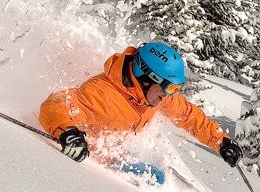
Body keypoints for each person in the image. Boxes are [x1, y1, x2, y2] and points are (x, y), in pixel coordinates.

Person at [38, 41, 243, 171]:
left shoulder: (153, 96)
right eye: (168, 87)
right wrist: (67, 132)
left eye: (174, 89)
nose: (168, 96)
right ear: (146, 78)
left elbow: (189, 115)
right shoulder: (101, 93)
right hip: (89, 169)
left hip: (118, 164)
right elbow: (55, 104)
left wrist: (221, 142)